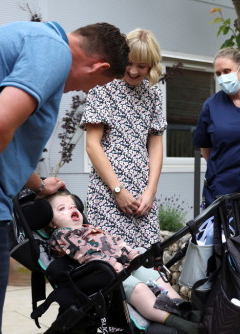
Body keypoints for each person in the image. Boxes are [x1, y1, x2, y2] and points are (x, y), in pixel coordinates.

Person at [0, 20, 129, 334]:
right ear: (98, 65)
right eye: (93, 84)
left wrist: (39, 185)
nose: (83, 91)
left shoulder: (24, 36)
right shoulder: (53, 50)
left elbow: (1, 142)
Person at [47, 191, 203, 334]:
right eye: (62, 209)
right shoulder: (63, 234)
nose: (70, 209)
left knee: (153, 275)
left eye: (73, 206)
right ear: (52, 223)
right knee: (139, 289)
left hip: (123, 267)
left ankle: (182, 307)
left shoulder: (90, 229)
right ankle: (176, 321)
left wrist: (131, 254)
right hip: (103, 276)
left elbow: (116, 242)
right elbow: (85, 254)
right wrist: (111, 263)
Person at [80, 28, 166, 249]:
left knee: (148, 261)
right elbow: (92, 145)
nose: (134, 71)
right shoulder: (103, 88)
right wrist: (118, 190)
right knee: (112, 263)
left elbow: (155, 145)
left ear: (151, 65)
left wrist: (150, 191)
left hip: (142, 193)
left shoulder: (153, 94)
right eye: (129, 63)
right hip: (108, 191)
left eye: (142, 65)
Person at [192, 48, 240, 221]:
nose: (222, 77)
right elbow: (206, 149)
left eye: (226, 71)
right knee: (222, 246)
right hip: (221, 194)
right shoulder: (211, 105)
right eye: (218, 73)